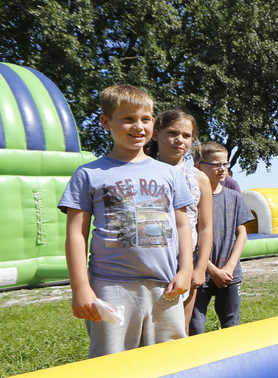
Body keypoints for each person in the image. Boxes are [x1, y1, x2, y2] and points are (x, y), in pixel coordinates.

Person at [59, 85, 194, 357]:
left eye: (146, 119)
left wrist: (186, 270)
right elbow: (76, 234)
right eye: (129, 119)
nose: (139, 126)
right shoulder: (88, 174)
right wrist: (80, 287)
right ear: (106, 122)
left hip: (165, 286)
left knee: (169, 359)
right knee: (111, 361)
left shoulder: (169, 174)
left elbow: (183, 225)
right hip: (111, 286)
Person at [149, 110, 213, 329]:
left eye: (186, 135)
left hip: (184, 262)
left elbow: (205, 227)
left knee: (179, 330)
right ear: (155, 134)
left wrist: (200, 268)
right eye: (172, 133)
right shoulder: (139, 172)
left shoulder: (199, 178)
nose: (179, 140)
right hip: (149, 261)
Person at [189, 142, 253, 335]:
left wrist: (229, 267)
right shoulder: (190, 199)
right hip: (198, 273)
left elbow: (242, 233)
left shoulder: (235, 197)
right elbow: (189, 238)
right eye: (216, 164)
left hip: (229, 275)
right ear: (198, 167)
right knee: (195, 326)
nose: (223, 169)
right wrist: (211, 270)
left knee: (231, 324)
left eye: (226, 164)